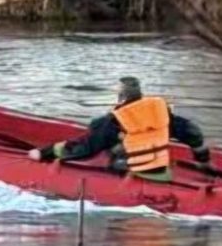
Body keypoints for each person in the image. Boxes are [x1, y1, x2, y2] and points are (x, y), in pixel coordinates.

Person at [30, 76, 211, 180]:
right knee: (120, 143)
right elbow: (193, 133)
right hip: (162, 172)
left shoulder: (113, 120)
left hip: (132, 171)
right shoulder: (161, 113)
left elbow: (85, 149)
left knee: (110, 149)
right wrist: (203, 161)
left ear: (121, 98)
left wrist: (44, 152)